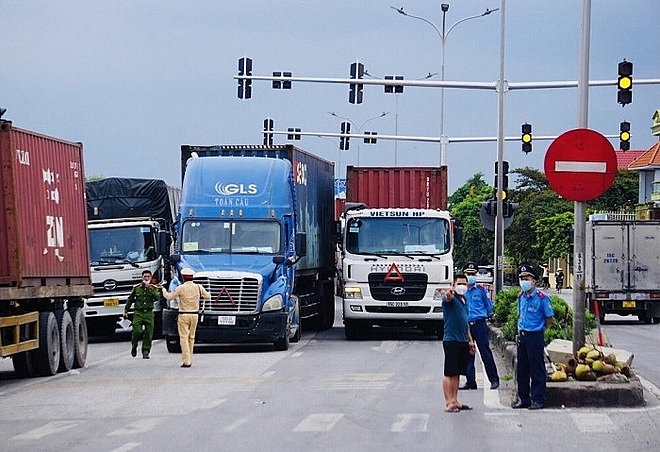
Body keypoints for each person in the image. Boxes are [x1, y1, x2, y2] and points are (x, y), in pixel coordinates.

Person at [512, 264, 554, 410]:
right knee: (522, 369)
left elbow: (549, 318)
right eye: (522, 278)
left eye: (527, 278)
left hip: (535, 336)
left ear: (534, 281)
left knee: (537, 369)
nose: (524, 280)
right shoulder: (521, 297)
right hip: (522, 336)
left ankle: (538, 399)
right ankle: (524, 399)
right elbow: (520, 315)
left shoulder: (542, 298)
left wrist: (540, 329)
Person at [160, 268, 211, 368]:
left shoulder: (180, 288)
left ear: (183, 277)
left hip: (184, 314)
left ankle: (186, 360)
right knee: (191, 337)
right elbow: (208, 296)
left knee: (183, 338)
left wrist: (163, 290)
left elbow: (169, 297)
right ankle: (190, 358)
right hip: (195, 315)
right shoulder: (198, 287)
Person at [460, 262, 500, 390]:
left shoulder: (482, 290)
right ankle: (470, 381)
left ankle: (494, 380)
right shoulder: (461, 291)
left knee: (485, 353)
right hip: (466, 326)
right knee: (467, 354)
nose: (471, 276)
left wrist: (482, 316)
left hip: (479, 324)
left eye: (473, 274)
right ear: (464, 275)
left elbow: (489, 307)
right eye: (468, 274)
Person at [442, 274, 476, 413]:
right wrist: (448, 294)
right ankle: (449, 402)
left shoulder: (464, 300)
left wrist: (470, 341)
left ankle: (455, 400)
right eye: (459, 283)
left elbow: (465, 322)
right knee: (449, 373)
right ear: (454, 284)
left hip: (463, 340)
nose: (462, 286)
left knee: (457, 373)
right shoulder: (450, 299)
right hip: (451, 340)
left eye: (464, 284)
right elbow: (447, 297)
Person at [124, 270, 161, 359]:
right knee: (137, 331)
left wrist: (150, 289)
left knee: (149, 333)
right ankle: (134, 346)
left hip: (149, 313)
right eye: (145, 276)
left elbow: (157, 297)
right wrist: (126, 311)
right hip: (138, 312)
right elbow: (130, 299)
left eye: (148, 277)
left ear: (151, 278)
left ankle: (146, 351)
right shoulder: (137, 288)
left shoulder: (154, 288)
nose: (146, 278)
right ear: (142, 277)